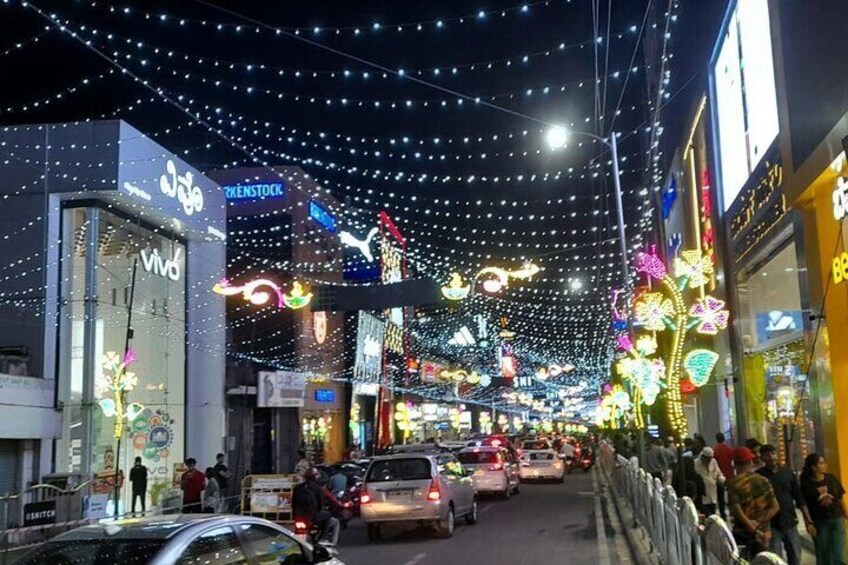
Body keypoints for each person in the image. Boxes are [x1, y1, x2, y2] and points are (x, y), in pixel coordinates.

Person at [757, 444, 810, 565]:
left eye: (773, 453)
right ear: (762, 458)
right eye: (767, 454)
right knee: (775, 559)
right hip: (771, 524)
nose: (771, 457)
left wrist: (808, 520)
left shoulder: (787, 472)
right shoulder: (759, 476)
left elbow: (799, 497)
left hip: (790, 521)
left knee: (796, 557)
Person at [727, 447, 780, 558]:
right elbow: (775, 507)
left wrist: (752, 527)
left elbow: (738, 512)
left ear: (735, 465)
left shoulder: (734, 484)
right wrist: (758, 522)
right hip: (765, 531)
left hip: (743, 533)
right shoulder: (763, 480)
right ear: (751, 461)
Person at [800, 453, 847, 565]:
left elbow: (840, 498)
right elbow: (804, 505)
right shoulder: (806, 484)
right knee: (824, 555)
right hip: (820, 523)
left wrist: (846, 514)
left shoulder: (831, 478)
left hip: (837, 520)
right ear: (814, 467)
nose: (825, 465)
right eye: (821, 463)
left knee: (838, 553)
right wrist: (809, 523)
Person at [292, 469, 341, 546]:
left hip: (299, 517)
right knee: (328, 515)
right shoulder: (317, 488)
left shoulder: (297, 488)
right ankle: (323, 538)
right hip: (312, 517)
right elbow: (320, 506)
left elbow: (293, 504)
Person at [694, 447, 725, 517]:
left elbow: (719, 473)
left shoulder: (713, 462)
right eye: (707, 459)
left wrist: (721, 479)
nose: (708, 461)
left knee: (712, 514)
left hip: (712, 493)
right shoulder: (696, 463)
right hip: (702, 495)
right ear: (703, 457)